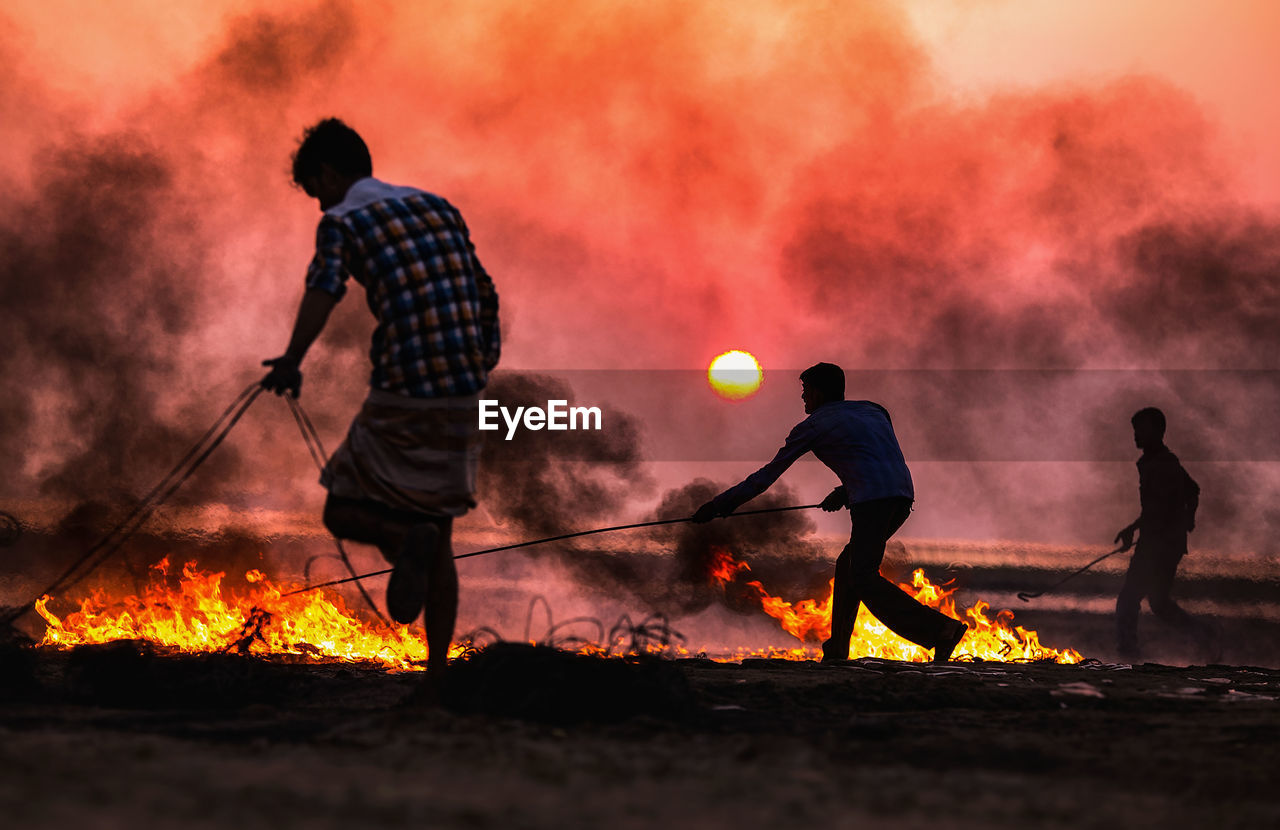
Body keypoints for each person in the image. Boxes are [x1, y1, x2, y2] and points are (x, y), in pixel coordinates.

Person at [261, 118, 500, 680]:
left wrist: (291, 360)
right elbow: (484, 291)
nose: (319, 206)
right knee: (439, 533)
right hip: (464, 391)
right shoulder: (438, 206)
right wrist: (480, 364)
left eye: (315, 191)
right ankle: (437, 683)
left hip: (405, 386)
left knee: (341, 507)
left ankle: (400, 537)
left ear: (327, 173)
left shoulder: (343, 220)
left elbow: (324, 288)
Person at [692, 362, 967, 662]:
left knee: (862, 576)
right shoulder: (874, 410)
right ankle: (837, 649)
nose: (803, 398)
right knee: (848, 566)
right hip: (901, 496)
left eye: (805, 391)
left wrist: (719, 506)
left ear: (819, 392)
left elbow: (765, 477)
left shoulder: (812, 427)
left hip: (873, 502)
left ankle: (940, 630)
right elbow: (870, 456)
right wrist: (844, 491)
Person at [1113, 407, 1217, 662]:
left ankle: (1128, 652)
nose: (1136, 435)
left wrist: (1182, 520)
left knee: (1129, 598)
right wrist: (1186, 519)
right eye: (1135, 430)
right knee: (1158, 603)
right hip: (1163, 542)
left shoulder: (1164, 464)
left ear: (1158, 432)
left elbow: (1166, 505)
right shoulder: (1154, 462)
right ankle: (1205, 636)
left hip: (1159, 545)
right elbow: (1191, 490)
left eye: (1141, 430)